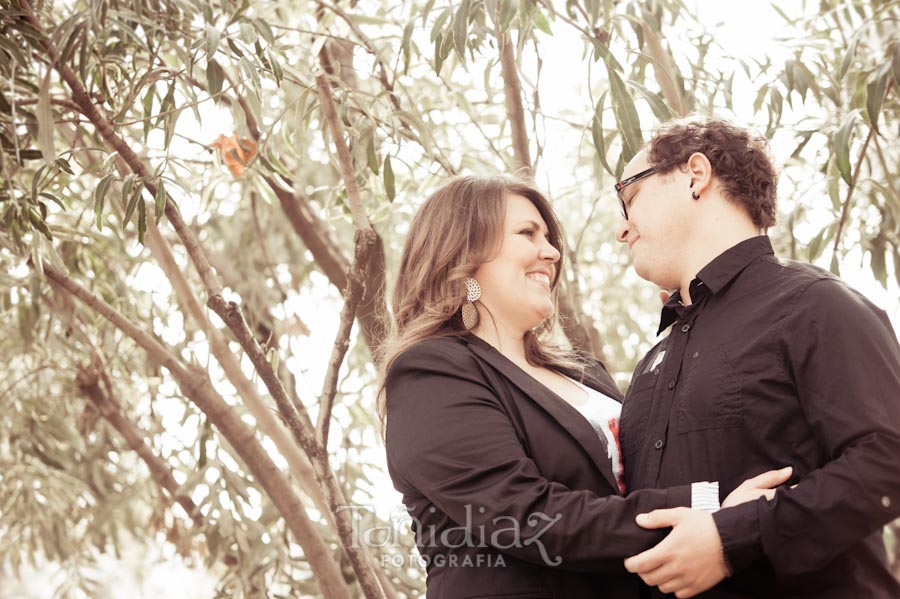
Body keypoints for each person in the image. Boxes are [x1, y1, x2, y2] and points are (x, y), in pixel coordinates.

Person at [378, 174, 787, 599]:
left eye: (549, 238)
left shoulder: (586, 373)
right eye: (527, 233)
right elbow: (525, 515)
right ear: (463, 252)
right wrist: (710, 507)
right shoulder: (431, 372)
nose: (552, 252)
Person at [613, 117, 900, 598]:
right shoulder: (654, 358)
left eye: (629, 196)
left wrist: (733, 538)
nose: (623, 229)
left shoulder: (816, 304)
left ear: (695, 174)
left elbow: (889, 456)